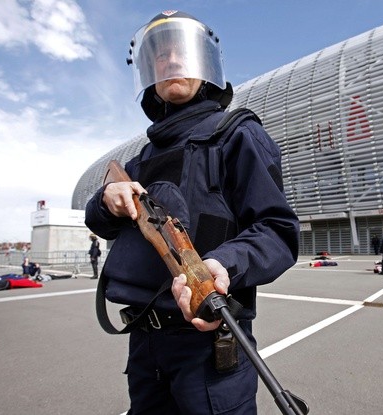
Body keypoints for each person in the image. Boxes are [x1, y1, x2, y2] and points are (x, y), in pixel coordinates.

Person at [85, 10, 299, 414]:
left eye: (182, 52)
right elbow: (99, 224)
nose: (172, 61)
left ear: (206, 66)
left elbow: (277, 230)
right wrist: (108, 198)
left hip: (209, 343)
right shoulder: (140, 160)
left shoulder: (237, 135)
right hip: (144, 345)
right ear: (149, 73)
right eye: (160, 56)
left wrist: (224, 265)